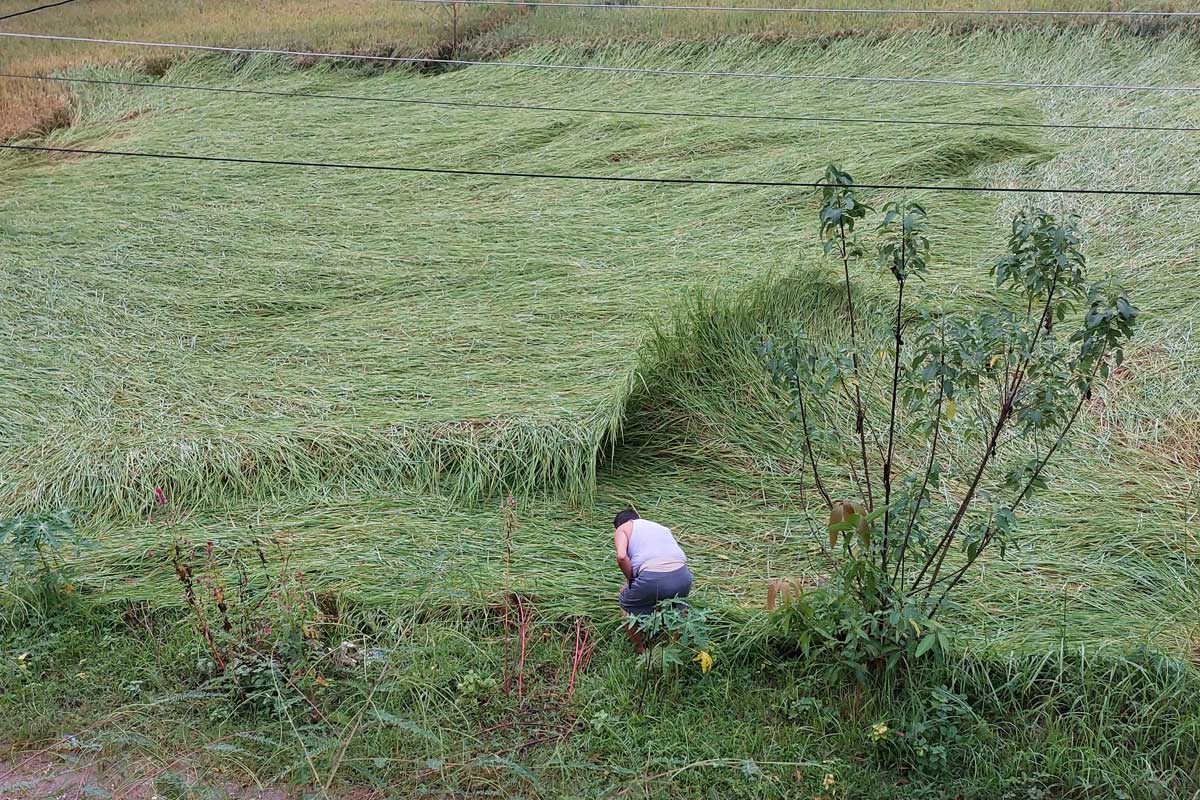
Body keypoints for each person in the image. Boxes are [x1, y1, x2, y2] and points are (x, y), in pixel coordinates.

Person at [613, 507, 693, 625]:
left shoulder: (622, 528)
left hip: (652, 578)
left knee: (626, 606)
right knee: (679, 608)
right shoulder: (660, 527)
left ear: (619, 524)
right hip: (683, 575)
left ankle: (639, 644)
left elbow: (621, 556)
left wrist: (631, 580)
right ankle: (675, 641)